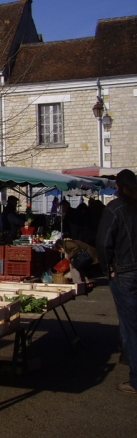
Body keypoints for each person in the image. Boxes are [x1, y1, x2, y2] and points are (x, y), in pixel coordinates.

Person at [96, 169, 137, 395]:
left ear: (119, 187)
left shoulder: (116, 208)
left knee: (131, 327)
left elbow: (103, 243)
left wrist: (107, 268)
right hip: (127, 270)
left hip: (126, 272)